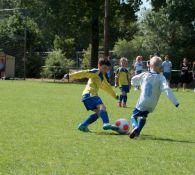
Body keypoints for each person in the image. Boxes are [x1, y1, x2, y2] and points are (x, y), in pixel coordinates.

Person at [129, 56, 179, 139]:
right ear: (160, 67)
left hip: (143, 101)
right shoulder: (161, 78)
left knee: (133, 116)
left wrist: (134, 84)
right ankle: (137, 133)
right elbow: (167, 89)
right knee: (144, 116)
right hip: (152, 104)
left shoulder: (145, 74)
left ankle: (135, 126)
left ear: (150, 65)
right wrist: (175, 102)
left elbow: (134, 79)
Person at [63, 58, 119, 132]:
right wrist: (70, 76)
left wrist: (115, 96)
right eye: (104, 68)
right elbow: (84, 73)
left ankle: (83, 125)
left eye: (107, 69)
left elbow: (107, 87)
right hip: (90, 94)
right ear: (99, 66)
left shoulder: (102, 77)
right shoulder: (96, 72)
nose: (106, 70)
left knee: (99, 113)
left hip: (87, 96)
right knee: (102, 107)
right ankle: (106, 123)